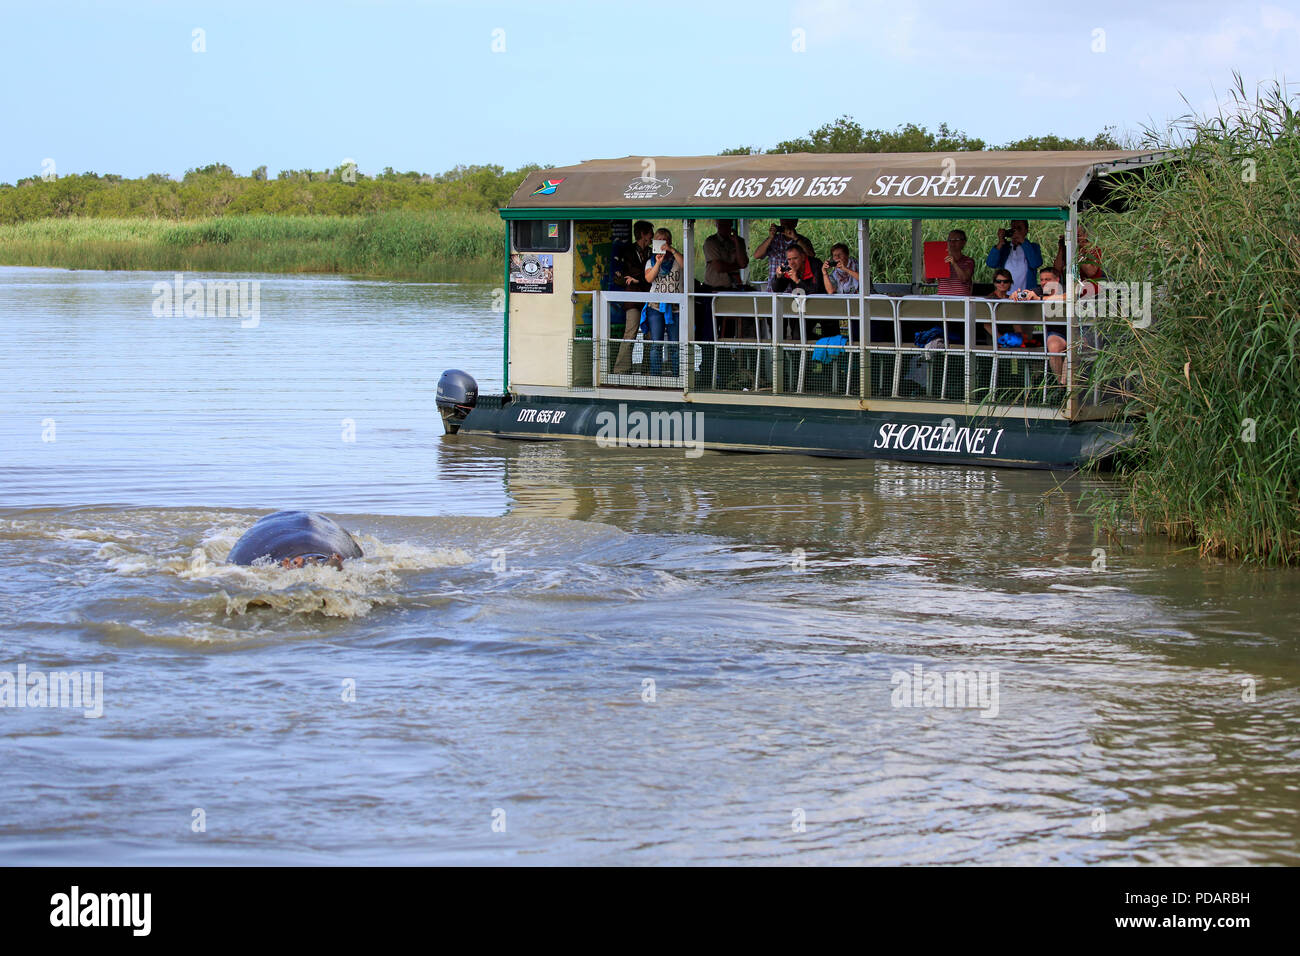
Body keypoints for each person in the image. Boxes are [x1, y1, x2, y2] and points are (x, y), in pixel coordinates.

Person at [611, 220, 654, 374]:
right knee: (630, 332)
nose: (653, 237)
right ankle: (621, 370)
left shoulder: (653, 253)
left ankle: (648, 370)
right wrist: (644, 276)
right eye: (650, 233)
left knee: (651, 334)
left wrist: (637, 277)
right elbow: (622, 275)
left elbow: (653, 273)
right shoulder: (627, 251)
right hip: (633, 298)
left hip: (651, 297)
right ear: (643, 234)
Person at [642, 228, 684, 376]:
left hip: (676, 308)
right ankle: (655, 377)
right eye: (657, 240)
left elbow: (686, 265)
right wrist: (658, 262)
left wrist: (671, 250)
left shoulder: (677, 259)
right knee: (656, 345)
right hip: (655, 307)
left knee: (675, 345)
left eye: (663, 241)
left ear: (669, 242)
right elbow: (649, 278)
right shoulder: (650, 261)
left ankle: (677, 377)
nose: (660, 244)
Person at [771, 245, 824, 339]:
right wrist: (778, 277)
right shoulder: (789, 266)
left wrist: (797, 280)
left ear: (803, 257)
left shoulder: (815, 265)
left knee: (829, 336)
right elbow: (777, 289)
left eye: (795, 258)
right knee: (797, 336)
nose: (792, 263)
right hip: (801, 307)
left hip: (821, 305)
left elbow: (816, 290)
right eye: (789, 259)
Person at [753, 219, 815, 291]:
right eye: (783, 221)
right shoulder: (773, 240)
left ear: (795, 223)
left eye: (788, 220)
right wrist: (770, 237)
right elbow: (757, 255)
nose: (785, 223)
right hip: (774, 290)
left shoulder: (802, 240)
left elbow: (811, 256)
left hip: (796, 291)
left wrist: (795, 238)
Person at [985, 219, 1042, 293]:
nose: (1016, 232)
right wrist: (1000, 242)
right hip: (1005, 295)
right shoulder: (1004, 248)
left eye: (1019, 228)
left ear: (1026, 230)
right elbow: (991, 263)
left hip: (1026, 295)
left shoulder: (1033, 247)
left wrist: (1022, 241)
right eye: (1013, 228)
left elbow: (1035, 263)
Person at [1053, 224, 1105, 296]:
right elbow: (1057, 269)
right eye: (1072, 235)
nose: (1075, 239)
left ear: (1085, 235)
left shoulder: (1093, 249)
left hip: (1090, 291)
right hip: (1070, 291)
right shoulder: (1067, 249)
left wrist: (1077, 252)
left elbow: (1091, 272)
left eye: (1077, 235)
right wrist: (1061, 247)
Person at [702, 219, 749, 291]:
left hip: (733, 287)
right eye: (721, 224)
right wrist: (737, 265)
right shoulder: (711, 242)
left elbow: (743, 263)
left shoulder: (739, 241)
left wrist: (736, 242)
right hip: (713, 287)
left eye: (726, 224)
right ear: (717, 225)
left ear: (731, 224)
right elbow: (719, 267)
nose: (724, 227)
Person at [936, 229, 975, 296]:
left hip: (962, 301)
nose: (952, 243)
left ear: (964, 242)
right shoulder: (941, 261)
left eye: (956, 240)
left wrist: (954, 263)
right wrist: (926, 262)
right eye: (950, 240)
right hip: (943, 300)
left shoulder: (968, 261)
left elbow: (964, 278)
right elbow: (928, 280)